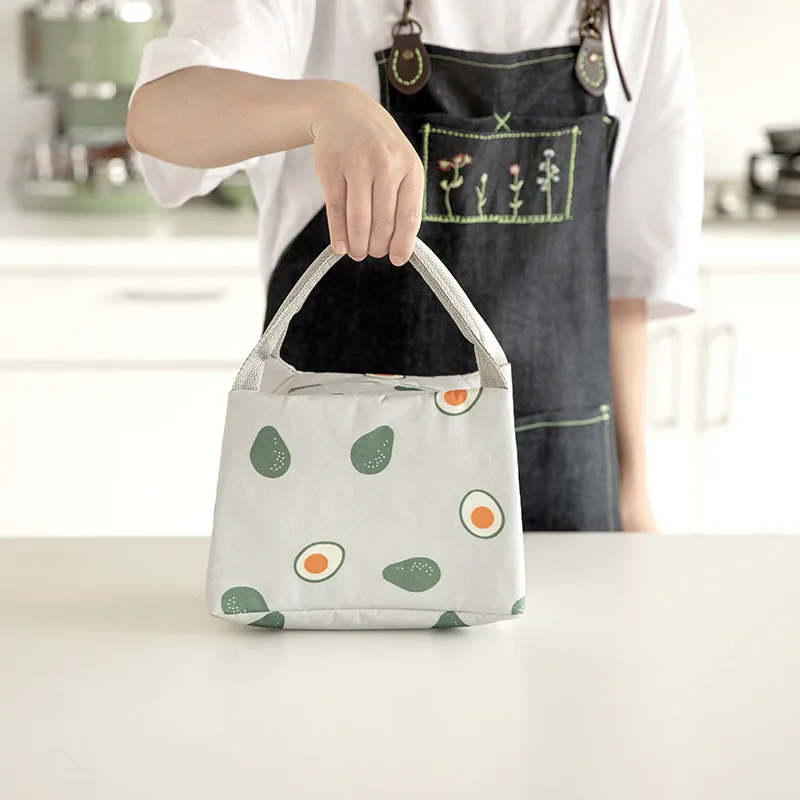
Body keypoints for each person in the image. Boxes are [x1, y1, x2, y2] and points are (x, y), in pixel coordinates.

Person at [127, 0, 703, 533]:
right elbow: (158, 115)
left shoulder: (639, 10)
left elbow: (624, 284)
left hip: (560, 481)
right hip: (341, 484)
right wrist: (327, 107)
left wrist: (633, 493)